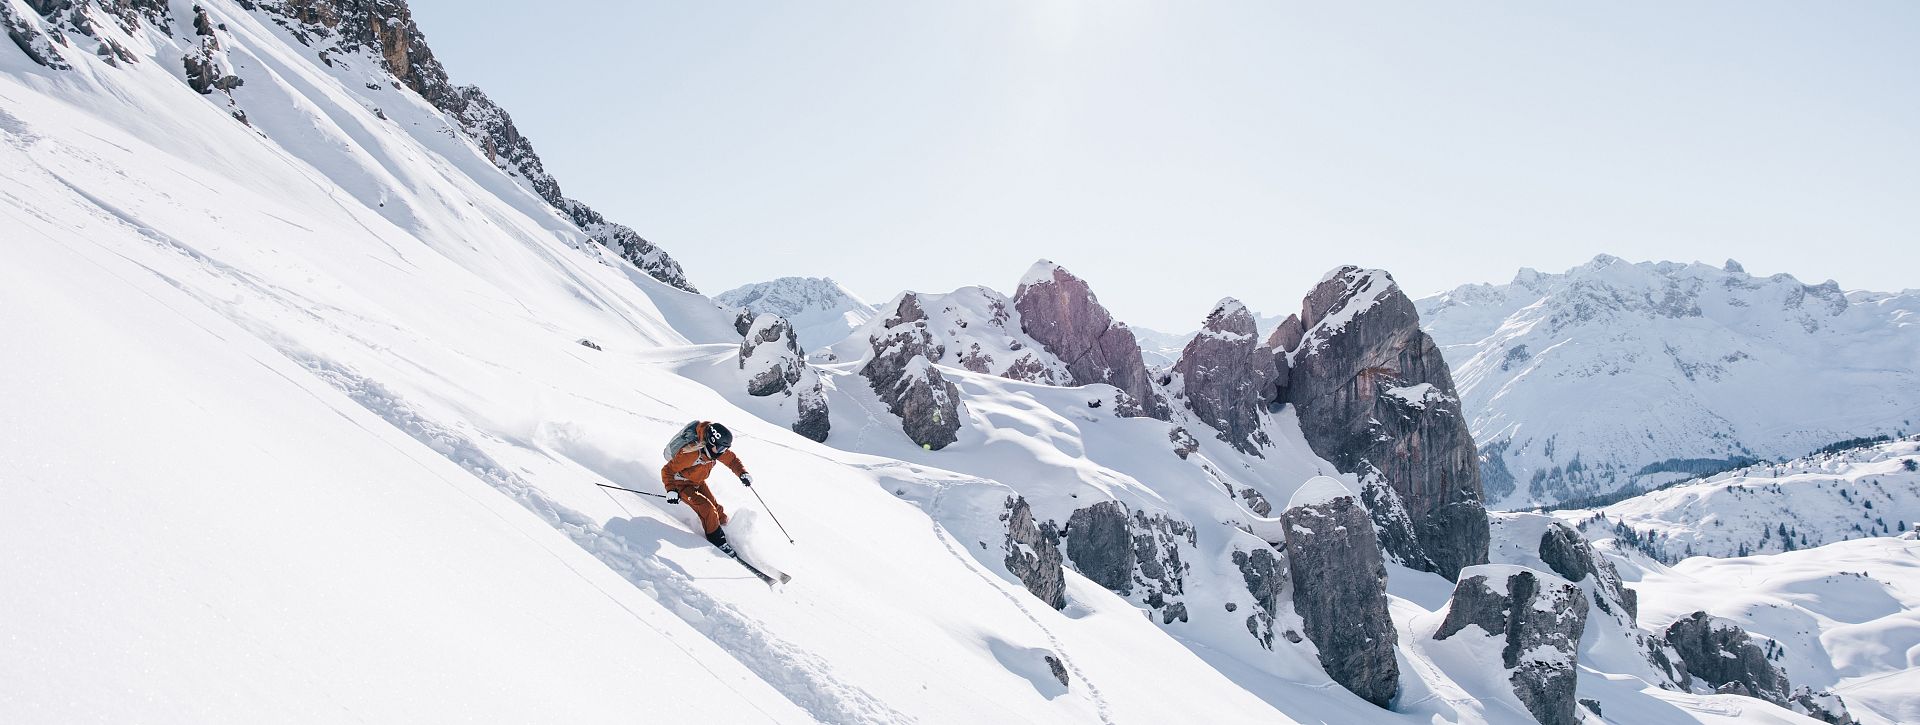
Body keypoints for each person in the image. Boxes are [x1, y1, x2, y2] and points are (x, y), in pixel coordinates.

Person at [661, 421, 752, 552]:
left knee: (717, 511)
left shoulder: (716, 450)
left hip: (697, 482)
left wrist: (742, 473)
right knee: (707, 508)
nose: (723, 452)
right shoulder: (691, 453)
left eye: (725, 449)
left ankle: (725, 531)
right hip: (680, 484)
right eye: (721, 449)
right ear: (711, 441)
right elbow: (667, 470)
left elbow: (731, 460)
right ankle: (717, 541)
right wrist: (671, 490)